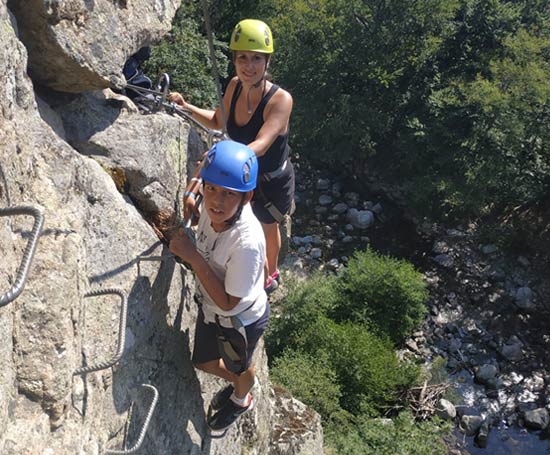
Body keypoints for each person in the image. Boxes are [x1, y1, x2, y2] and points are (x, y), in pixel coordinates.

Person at [169, 19, 294, 294]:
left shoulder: (280, 100)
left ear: (267, 62)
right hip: (241, 173)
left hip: (271, 181)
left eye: (256, 59)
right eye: (243, 58)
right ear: (235, 60)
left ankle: (269, 276)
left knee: (265, 226)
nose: (249, 66)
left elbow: (261, 143)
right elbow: (217, 120)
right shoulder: (235, 86)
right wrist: (185, 106)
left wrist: (221, 159)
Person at [169, 140, 268, 431]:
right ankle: (241, 380)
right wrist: (191, 195)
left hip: (239, 319)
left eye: (229, 194)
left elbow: (229, 303)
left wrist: (193, 257)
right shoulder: (211, 205)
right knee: (203, 361)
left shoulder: (246, 242)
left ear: (246, 197)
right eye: (211, 189)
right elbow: (203, 176)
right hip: (213, 307)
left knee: (239, 368)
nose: (216, 201)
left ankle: (241, 398)